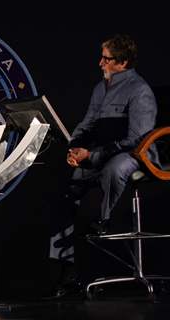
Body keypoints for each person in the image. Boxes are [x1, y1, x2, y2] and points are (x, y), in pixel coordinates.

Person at [49, 34, 158, 296]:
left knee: (114, 168)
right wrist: (74, 147)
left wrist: (94, 155)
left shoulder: (140, 90)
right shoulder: (101, 88)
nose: (100, 63)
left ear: (122, 62)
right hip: (99, 152)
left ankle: (104, 219)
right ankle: (67, 272)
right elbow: (88, 123)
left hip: (136, 154)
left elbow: (137, 139)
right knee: (66, 193)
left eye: (106, 59)